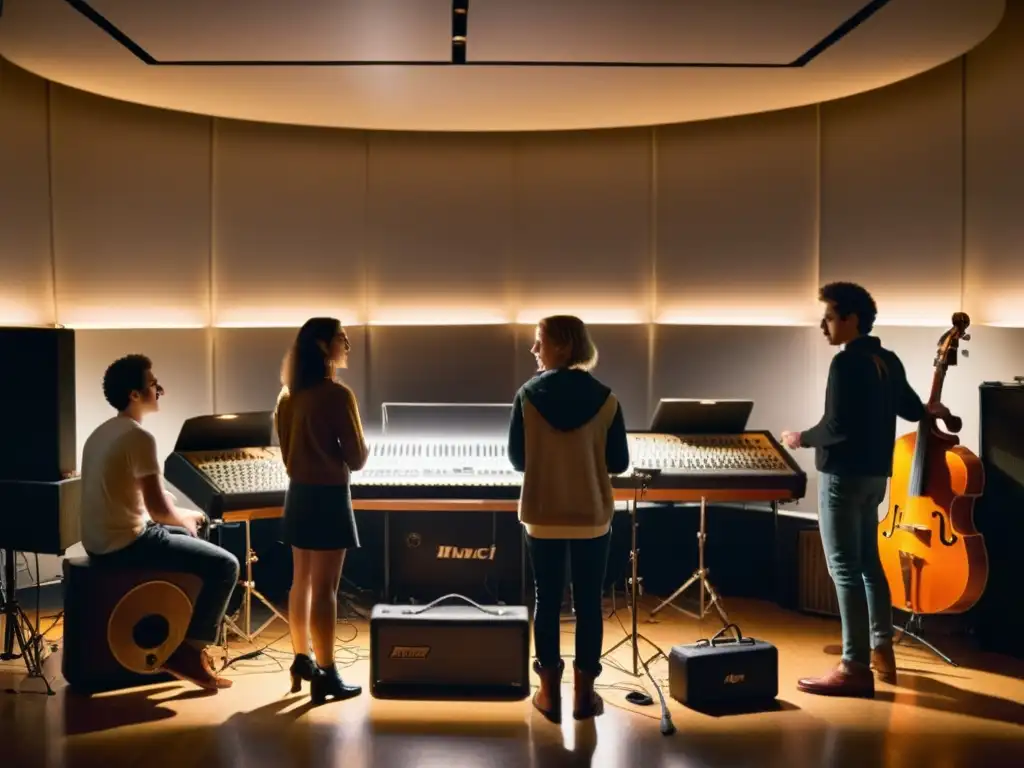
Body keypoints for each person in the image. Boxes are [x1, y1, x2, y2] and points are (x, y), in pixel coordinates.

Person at [781, 282, 952, 698]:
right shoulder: (887, 360)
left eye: (829, 316)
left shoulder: (845, 365)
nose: (824, 325)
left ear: (851, 318)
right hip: (876, 479)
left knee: (843, 568)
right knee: (869, 566)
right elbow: (913, 409)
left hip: (841, 478)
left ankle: (853, 666)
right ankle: (881, 653)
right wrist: (935, 408)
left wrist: (799, 437)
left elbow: (835, 429)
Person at [81, 354, 240, 691]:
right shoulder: (140, 438)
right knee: (226, 565)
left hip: (100, 538)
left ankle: (186, 636)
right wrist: (182, 516)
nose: (160, 388)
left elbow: (136, 495)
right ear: (135, 394)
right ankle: (189, 651)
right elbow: (157, 511)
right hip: (126, 544)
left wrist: (177, 513)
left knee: (187, 530)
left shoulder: (103, 432)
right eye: (153, 383)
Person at [508, 315, 630, 723]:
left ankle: (547, 695)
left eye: (539, 341)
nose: (534, 350)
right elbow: (620, 463)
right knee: (589, 603)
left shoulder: (526, 396)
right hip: (591, 516)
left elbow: (516, 460)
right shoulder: (608, 399)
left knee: (546, 599)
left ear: (562, 346)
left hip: (542, 515)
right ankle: (583, 696)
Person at [274, 317, 368, 704]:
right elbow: (357, 458)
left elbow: (285, 452)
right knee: (327, 589)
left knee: (301, 583)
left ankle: (302, 659)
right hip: (329, 496)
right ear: (322, 346)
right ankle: (327, 673)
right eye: (342, 339)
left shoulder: (287, 396)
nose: (347, 345)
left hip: (298, 494)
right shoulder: (337, 395)